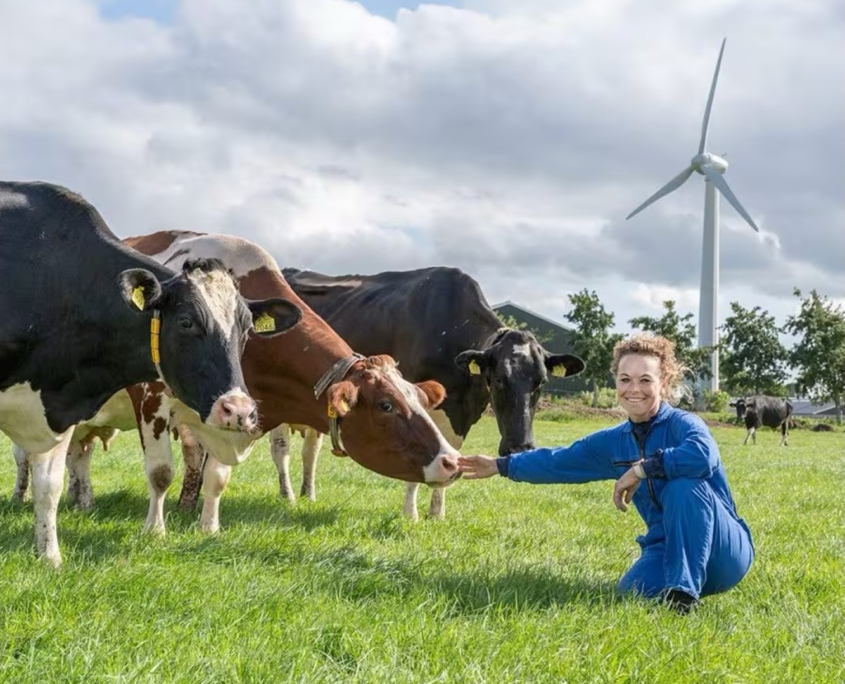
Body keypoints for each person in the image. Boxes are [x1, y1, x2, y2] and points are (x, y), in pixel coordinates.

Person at [458, 333, 754, 613]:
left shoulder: (684, 424)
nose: (633, 389)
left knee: (683, 487)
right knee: (630, 593)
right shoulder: (615, 441)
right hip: (667, 548)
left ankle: (682, 597)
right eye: (625, 379)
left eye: (645, 380)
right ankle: (678, 582)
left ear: (664, 384)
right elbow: (561, 461)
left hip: (723, 551)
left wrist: (642, 469)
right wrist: (501, 466)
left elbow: (703, 456)